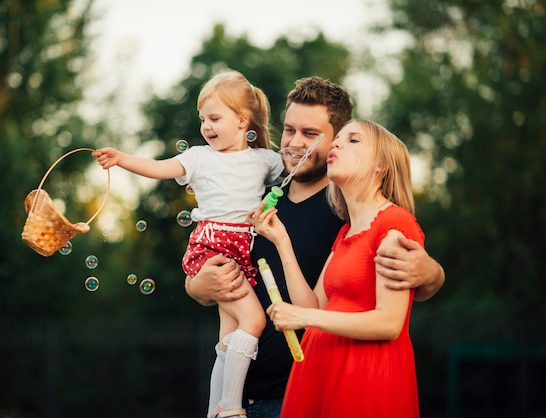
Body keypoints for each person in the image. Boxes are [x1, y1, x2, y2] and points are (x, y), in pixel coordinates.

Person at [185, 76, 445, 418]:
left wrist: (433, 274)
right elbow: (209, 261)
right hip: (239, 393)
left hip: (305, 390)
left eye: (310, 134)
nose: (294, 143)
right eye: (290, 130)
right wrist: (196, 287)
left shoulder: (349, 213)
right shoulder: (257, 201)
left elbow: (401, 280)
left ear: (334, 140)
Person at [93, 70, 284, 418]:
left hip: (243, 252)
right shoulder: (199, 157)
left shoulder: (265, 160)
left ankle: (214, 410)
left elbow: (295, 173)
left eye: (215, 118)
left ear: (243, 120)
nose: (206, 127)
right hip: (214, 249)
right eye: (203, 120)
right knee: (254, 322)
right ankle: (231, 408)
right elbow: (158, 166)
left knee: (228, 335)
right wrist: (122, 159)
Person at [254, 118, 423, 417]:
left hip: (364, 377)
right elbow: (315, 305)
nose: (336, 144)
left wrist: (303, 316)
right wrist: (281, 240)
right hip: (324, 371)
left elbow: (390, 322)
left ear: (380, 166)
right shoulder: (346, 232)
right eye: (337, 139)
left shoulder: (393, 225)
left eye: (353, 140)